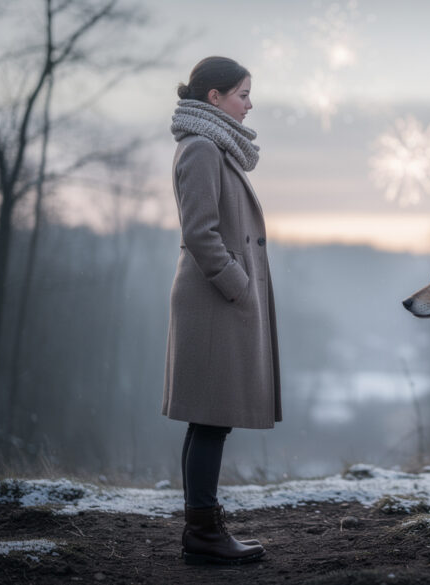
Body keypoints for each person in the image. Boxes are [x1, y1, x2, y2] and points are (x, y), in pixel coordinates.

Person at [163, 56, 281, 565]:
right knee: (210, 420)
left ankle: (202, 528)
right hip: (213, 302)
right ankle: (205, 533)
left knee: (208, 420)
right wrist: (238, 283)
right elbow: (199, 231)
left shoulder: (212, 145)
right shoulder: (202, 149)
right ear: (214, 97)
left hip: (217, 301)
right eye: (243, 93)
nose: (250, 103)